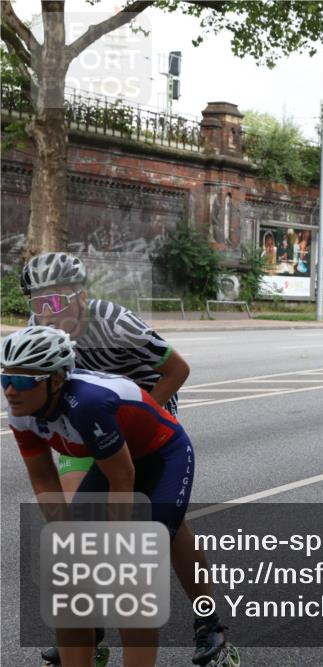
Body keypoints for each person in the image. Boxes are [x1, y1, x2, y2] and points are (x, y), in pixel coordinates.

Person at [20, 252, 230, 667]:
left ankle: (208, 622)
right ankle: (88, 628)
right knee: (77, 520)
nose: (47, 314)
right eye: (37, 303)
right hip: (85, 422)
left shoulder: (115, 322)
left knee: (163, 528)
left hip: (146, 412)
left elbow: (177, 369)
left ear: (81, 296)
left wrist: (137, 428)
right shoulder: (38, 333)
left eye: (56, 302)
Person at [2, 326, 209, 667]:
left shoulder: (87, 405)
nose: (10, 390)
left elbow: (124, 477)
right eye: (4, 379)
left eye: (23, 381)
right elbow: (43, 480)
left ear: (55, 380)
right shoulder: (21, 413)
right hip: (117, 462)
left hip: (162, 456)